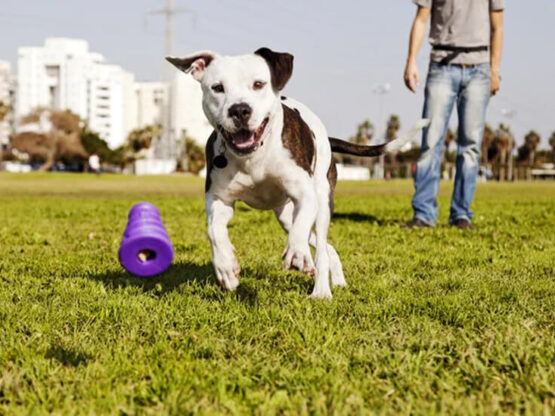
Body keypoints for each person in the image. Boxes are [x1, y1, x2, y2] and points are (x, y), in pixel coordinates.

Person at [403, 0, 504, 229]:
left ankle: (461, 214)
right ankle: (424, 214)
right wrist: (411, 61)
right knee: (431, 142)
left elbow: (497, 26)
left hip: (479, 68)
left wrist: (494, 70)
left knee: (470, 145)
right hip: (442, 65)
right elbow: (421, 18)